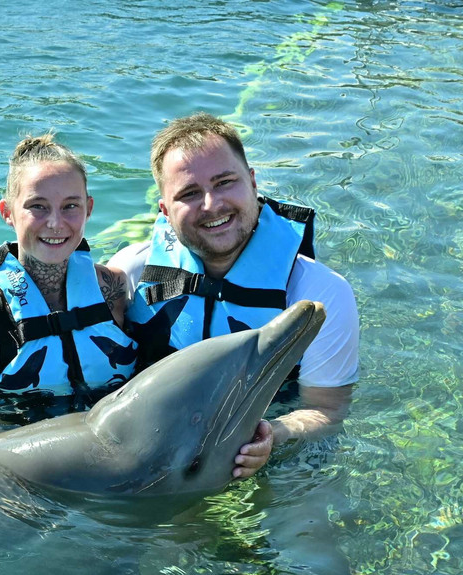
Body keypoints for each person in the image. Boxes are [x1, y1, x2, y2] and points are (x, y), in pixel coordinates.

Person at [109, 112, 359, 479]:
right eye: (189, 193)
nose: (212, 205)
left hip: (270, 453)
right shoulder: (132, 274)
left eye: (225, 182)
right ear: (164, 209)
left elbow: (326, 412)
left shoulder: (320, 292)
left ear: (253, 182)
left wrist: (275, 435)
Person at [0, 134, 135, 440]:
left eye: (70, 206)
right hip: (25, 468)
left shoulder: (116, 291)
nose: (55, 223)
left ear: (89, 208)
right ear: (7, 212)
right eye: (37, 206)